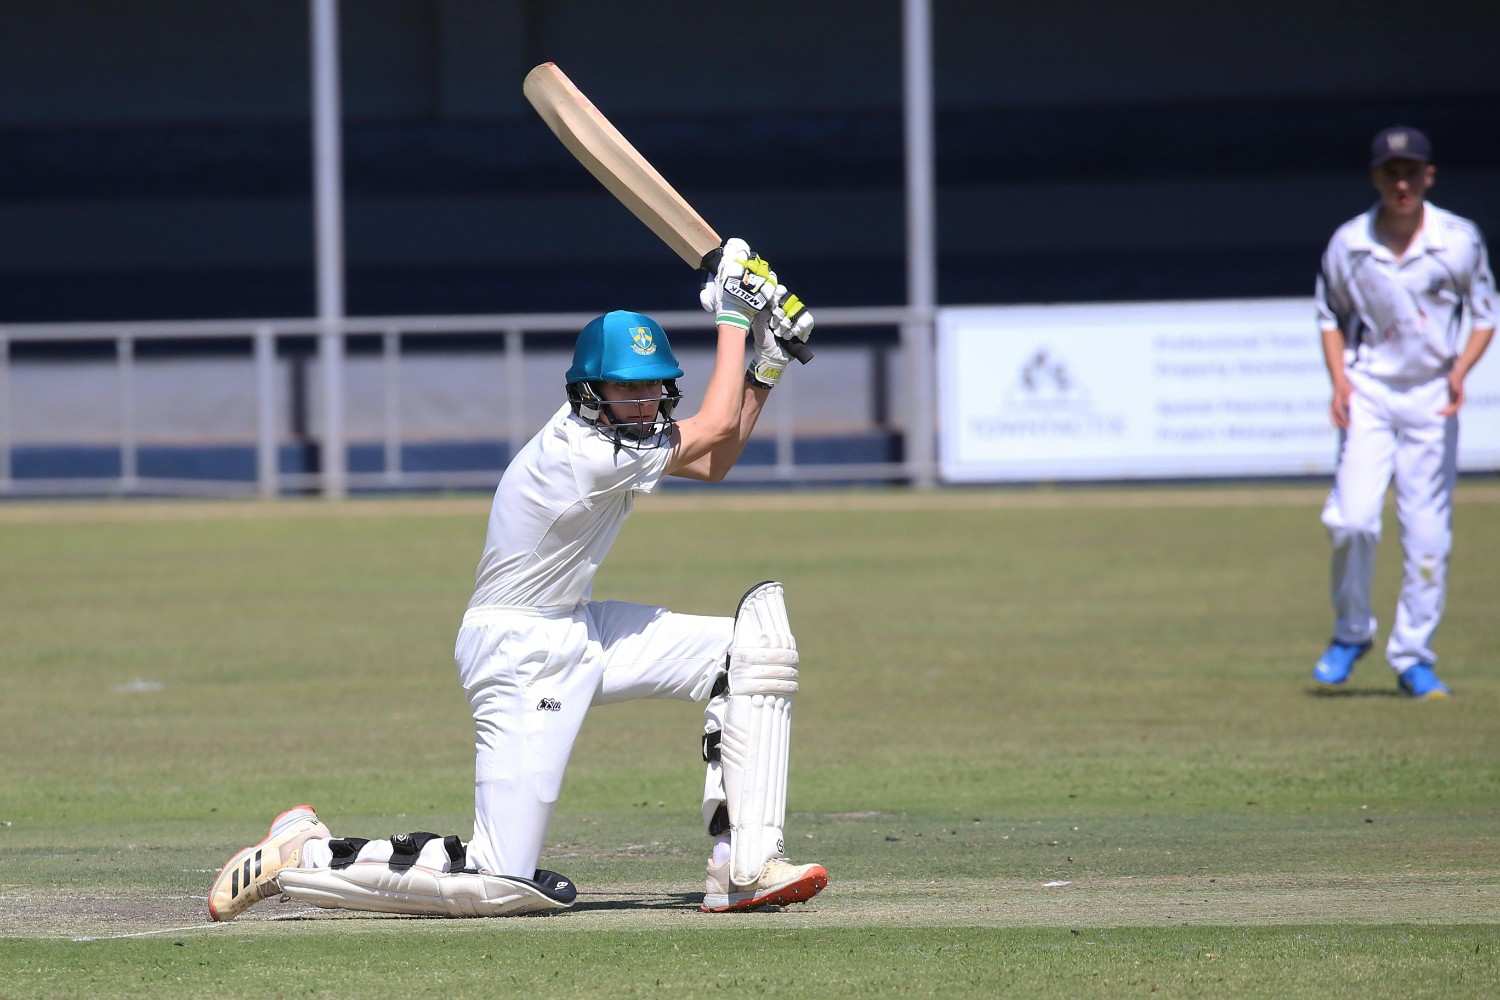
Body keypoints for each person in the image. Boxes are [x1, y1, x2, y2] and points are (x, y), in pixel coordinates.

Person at [208, 238, 827, 920]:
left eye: (654, 387)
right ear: (591, 393)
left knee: (749, 651)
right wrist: (736, 316)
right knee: (499, 879)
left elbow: (714, 460)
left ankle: (743, 865)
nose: (645, 402)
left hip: (577, 626)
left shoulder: (622, 438)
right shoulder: (587, 453)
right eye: (628, 389)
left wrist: (767, 361)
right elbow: (712, 427)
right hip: (516, 652)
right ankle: (305, 854)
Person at [1312, 126, 1495, 698]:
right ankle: (1352, 632)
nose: (1401, 184)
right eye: (1390, 173)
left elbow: (1485, 315)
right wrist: (1339, 382)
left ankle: (1414, 656)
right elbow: (1329, 316)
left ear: (1428, 176)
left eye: (1411, 172)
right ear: (1375, 177)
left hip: (1430, 394)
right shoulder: (1350, 243)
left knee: (1426, 535)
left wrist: (1459, 372)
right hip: (1369, 391)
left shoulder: (1457, 241)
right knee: (1353, 520)